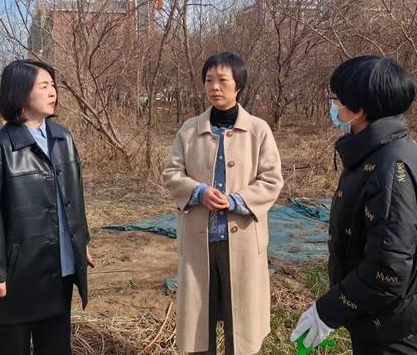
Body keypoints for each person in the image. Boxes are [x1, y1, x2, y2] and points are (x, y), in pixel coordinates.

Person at [291, 56, 417, 355]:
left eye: (336, 100)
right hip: (379, 319)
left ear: (359, 109)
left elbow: (389, 269)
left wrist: (329, 310)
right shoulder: (380, 153)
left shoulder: (389, 168)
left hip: (392, 332)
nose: (333, 107)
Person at [163, 52, 283, 355]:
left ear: (238, 85)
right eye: (209, 80)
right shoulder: (190, 129)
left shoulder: (258, 130)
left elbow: (272, 180)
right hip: (199, 242)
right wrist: (199, 192)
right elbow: (172, 173)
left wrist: (236, 200)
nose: (214, 87)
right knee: (198, 324)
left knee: (240, 323)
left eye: (222, 80)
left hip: (241, 244)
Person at [0, 59, 92, 355]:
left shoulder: (63, 137)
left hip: (58, 268)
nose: (53, 92)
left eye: (53, 85)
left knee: (55, 346)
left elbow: (74, 199)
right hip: (17, 274)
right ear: (21, 92)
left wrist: (81, 242)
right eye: (44, 86)